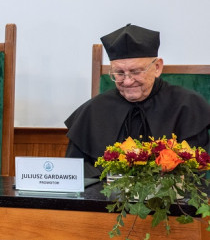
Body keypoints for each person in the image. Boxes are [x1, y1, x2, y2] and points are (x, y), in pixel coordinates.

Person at [65, 24, 210, 177]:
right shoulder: (92, 110)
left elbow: (194, 173)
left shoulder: (187, 106)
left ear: (157, 67)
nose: (127, 81)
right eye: (119, 73)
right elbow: (76, 173)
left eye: (136, 71)